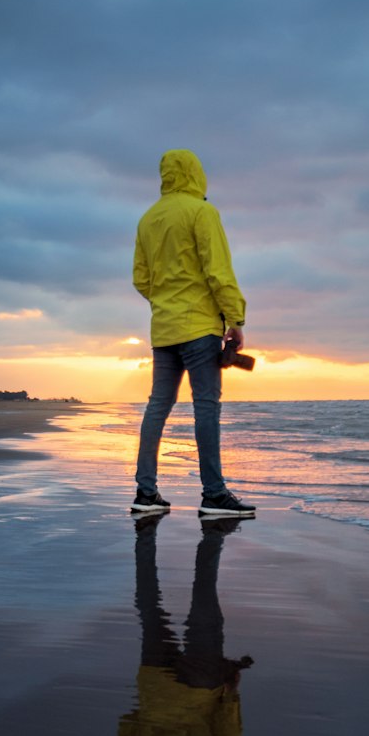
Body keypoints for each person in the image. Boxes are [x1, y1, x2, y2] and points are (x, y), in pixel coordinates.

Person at [119, 515, 252, 736]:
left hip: (199, 690)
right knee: (150, 609)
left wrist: (231, 694)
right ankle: (145, 536)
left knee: (204, 603)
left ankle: (214, 535)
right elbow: (126, 730)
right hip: (155, 689)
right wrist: (150, 710)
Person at [131, 148, 256, 519]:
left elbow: (141, 279)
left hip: (164, 328)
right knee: (206, 407)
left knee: (158, 406)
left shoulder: (148, 219)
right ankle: (214, 495)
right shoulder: (202, 212)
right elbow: (218, 269)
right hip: (200, 326)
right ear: (196, 174)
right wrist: (235, 320)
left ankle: (146, 492)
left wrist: (166, 302)